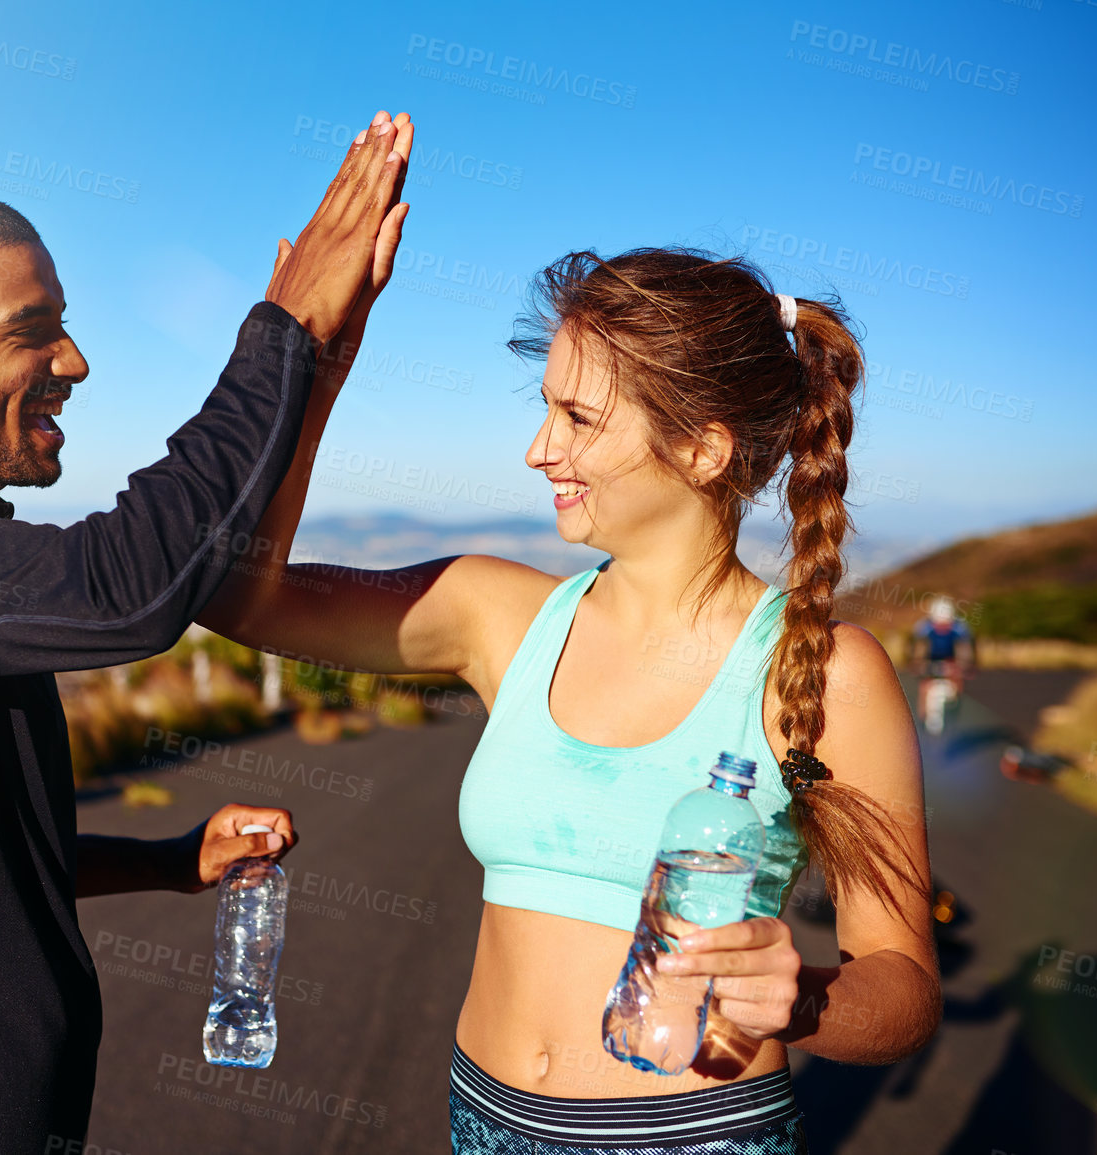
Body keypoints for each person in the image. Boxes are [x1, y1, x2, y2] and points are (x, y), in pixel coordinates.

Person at [0, 110, 414, 1153]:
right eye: (31, 330)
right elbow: (127, 588)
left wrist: (169, 858)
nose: (77, 361)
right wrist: (280, 332)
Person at [198, 249, 940, 1152]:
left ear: (703, 450)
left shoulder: (827, 671)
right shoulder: (495, 612)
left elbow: (901, 990)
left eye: (578, 416)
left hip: (690, 1134)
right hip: (479, 1118)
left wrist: (803, 997)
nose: (539, 447)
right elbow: (242, 594)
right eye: (546, 407)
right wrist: (312, 371)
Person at [912, 595, 975, 723]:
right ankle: (922, 716)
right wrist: (919, 665)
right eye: (939, 624)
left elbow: (965, 650)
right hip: (931, 658)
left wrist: (963, 666)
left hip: (951, 659)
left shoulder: (960, 628)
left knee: (957, 681)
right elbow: (919, 649)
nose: (942, 627)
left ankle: (955, 709)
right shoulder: (924, 627)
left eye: (946, 624)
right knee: (925, 686)